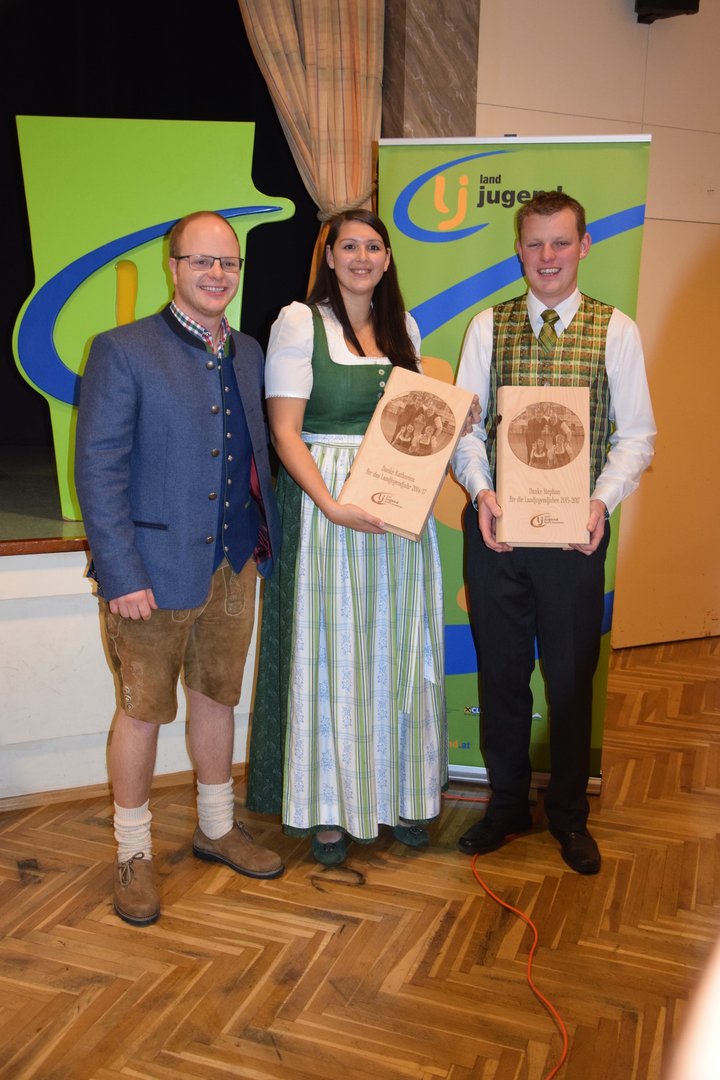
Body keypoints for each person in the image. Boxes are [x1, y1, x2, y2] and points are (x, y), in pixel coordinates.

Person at [75, 210, 284, 925]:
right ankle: (133, 852)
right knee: (141, 712)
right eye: (202, 261)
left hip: (234, 563)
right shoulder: (121, 350)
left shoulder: (250, 351)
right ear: (173, 266)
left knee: (218, 698)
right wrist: (120, 572)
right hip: (151, 573)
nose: (217, 274)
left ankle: (217, 826)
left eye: (228, 262)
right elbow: (98, 469)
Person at [452, 190, 656, 875]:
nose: (547, 256)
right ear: (518, 249)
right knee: (502, 674)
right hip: (497, 534)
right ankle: (508, 804)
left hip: (576, 539)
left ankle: (569, 815)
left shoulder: (616, 330)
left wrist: (600, 502)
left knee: (569, 680)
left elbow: (636, 437)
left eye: (560, 242)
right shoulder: (487, 327)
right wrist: (480, 492)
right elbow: (465, 429)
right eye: (535, 243)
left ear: (584, 246)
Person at [245, 208, 448, 866]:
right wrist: (331, 505)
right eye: (350, 246)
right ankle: (329, 809)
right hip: (326, 503)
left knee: (399, 648)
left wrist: (459, 414)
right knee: (332, 654)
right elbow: (284, 432)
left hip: (397, 506)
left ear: (388, 259)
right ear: (329, 256)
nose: (363, 257)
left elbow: (415, 421)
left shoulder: (404, 327)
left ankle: (402, 795)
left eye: (374, 247)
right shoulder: (299, 322)